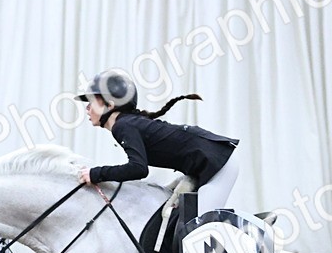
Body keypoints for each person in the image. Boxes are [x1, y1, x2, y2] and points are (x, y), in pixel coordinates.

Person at [75, 69, 241, 215]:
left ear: (109, 105)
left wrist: (96, 173)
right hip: (211, 162)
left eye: (91, 101)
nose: (87, 108)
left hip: (218, 163)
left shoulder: (123, 126)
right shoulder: (127, 124)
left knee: (200, 231)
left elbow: (138, 169)